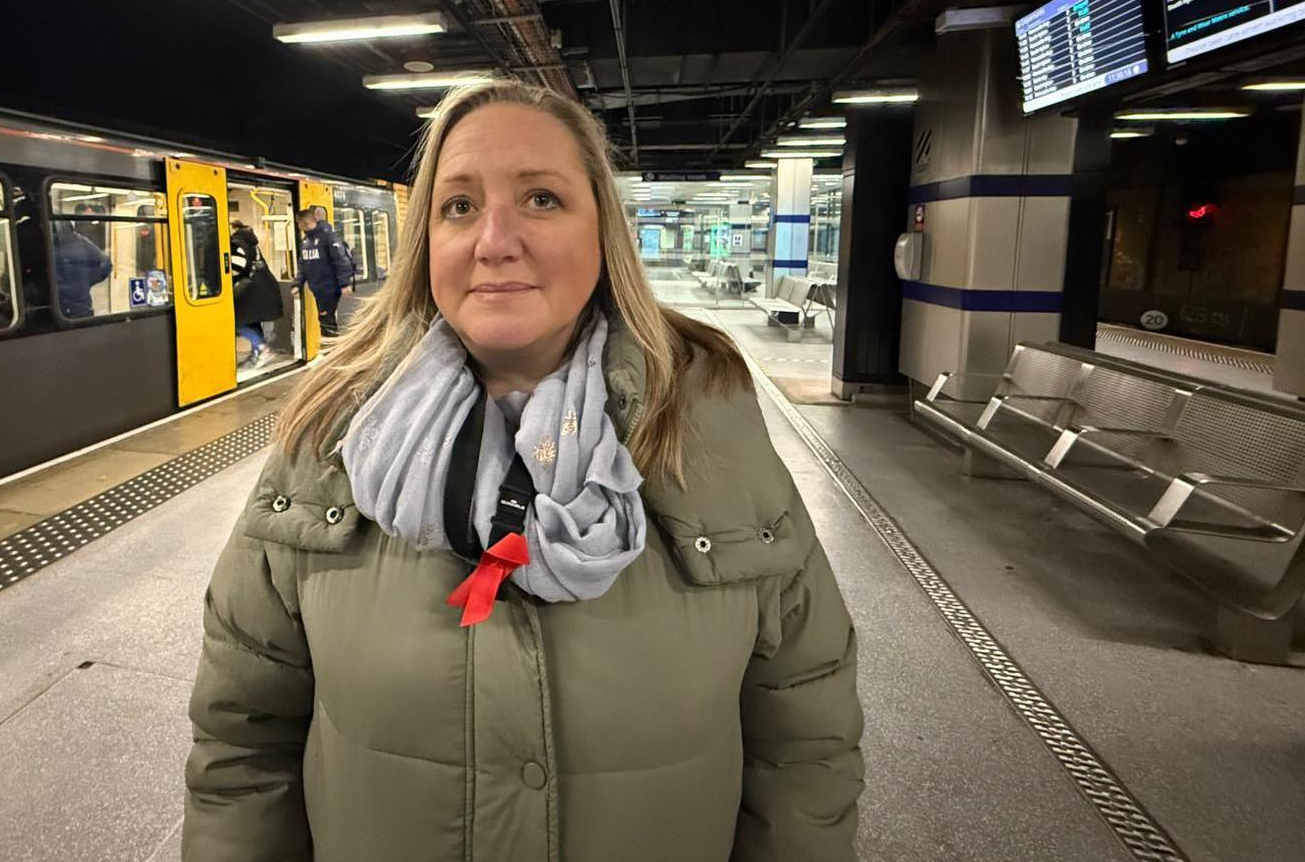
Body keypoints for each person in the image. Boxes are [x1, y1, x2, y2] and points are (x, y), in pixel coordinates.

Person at [182, 80, 864, 861]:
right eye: (459, 206)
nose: (494, 239)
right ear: (426, 241)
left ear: (602, 231)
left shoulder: (710, 425)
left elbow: (806, 741)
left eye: (541, 199)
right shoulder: (328, 438)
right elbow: (242, 745)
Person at [291, 207, 353, 337]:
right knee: (325, 318)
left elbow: (340, 260)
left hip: (330, 287)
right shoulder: (306, 241)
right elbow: (303, 265)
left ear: (306, 222)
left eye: (299, 222)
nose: (298, 225)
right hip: (318, 287)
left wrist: (344, 284)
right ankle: (331, 347)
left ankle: (332, 349)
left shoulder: (328, 237)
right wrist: (297, 284)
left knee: (326, 319)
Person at [232, 221, 283, 367]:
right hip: (262, 287)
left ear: (234, 228)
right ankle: (257, 353)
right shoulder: (251, 243)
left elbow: (236, 267)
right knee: (252, 321)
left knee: (236, 322)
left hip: (249, 290)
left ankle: (262, 349)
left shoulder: (237, 243)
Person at [52, 222, 113, 318]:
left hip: (59, 309)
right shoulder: (82, 242)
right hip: (81, 309)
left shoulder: (48, 246)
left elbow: (105, 264)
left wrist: (87, 280)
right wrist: (86, 281)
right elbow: (106, 264)